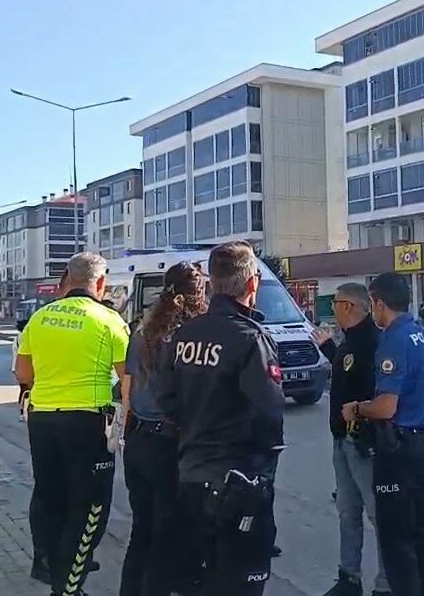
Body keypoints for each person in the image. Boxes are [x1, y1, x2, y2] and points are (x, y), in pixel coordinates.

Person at [156, 241, 284, 596]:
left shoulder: (185, 335)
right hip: (237, 483)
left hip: (191, 477)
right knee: (239, 581)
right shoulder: (251, 338)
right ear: (253, 284)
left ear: (212, 283)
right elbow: (270, 414)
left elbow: (165, 398)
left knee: (199, 580)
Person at [15, 252, 128, 596]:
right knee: (90, 507)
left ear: (68, 278)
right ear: (100, 282)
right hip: (87, 422)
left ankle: (50, 567)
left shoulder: (41, 317)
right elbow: (128, 379)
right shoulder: (109, 320)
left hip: (42, 419)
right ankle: (68, 586)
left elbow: (23, 373)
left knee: (49, 495)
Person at [341, 273, 424, 596]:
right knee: (423, 539)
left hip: (398, 451)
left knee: (398, 546)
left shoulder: (394, 340)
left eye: (373, 304)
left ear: (379, 303)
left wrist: (357, 408)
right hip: (422, 446)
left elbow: (386, 407)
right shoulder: (422, 334)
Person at [119, 262, 205, 596]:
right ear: (197, 294)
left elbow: (127, 389)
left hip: (139, 439)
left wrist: (125, 433)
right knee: (168, 534)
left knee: (142, 530)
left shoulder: (142, 331)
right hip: (169, 443)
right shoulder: (189, 335)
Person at [314, 283, 392, 596]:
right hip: (341, 438)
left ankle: (386, 584)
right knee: (348, 512)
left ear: (348, 306)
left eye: (335, 303)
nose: (332, 309)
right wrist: (328, 348)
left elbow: (372, 388)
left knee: (378, 514)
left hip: (362, 441)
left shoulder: (374, 341)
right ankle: (349, 578)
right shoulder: (350, 340)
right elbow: (346, 371)